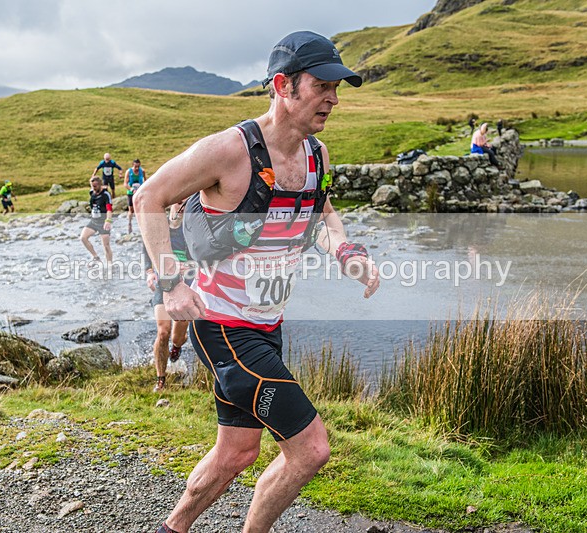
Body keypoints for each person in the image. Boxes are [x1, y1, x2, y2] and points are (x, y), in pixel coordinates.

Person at [135, 30, 380, 533]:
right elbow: (149, 198)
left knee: (236, 454)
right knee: (311, 449)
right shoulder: (229, 150)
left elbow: (324, 216)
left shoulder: (318, 155)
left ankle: (171, 529)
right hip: (221, 325)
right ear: (282, 86)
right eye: (322, 85)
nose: (333, 98)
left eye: (338, 87)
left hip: (267, 325)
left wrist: (347, 252)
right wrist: (171, 282)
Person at [144, 200, 190, 392]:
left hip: (186, 284)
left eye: (186, 203)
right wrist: (149, 272)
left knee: (177, 337)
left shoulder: (193, 227)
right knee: (163, 332)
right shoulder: (159, 224)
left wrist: (191, 267)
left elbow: (203, 254)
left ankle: (177, 346)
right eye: (178, 201)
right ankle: (160, 380)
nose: (181, 206)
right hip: (163, 282)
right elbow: (147, 245)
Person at [81, 176, 113, 264]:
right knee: (83, 238)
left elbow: (109, 209)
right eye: (92, 186)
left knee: (106, 246)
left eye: (95, 186)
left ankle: (110, 265)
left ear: (100, 185)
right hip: (94, 221)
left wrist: (108, 221)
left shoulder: (106, 195)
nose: (93, 188)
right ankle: (95, 257)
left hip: (104, 222)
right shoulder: (91, 192)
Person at [125, 159, 146, 233]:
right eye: (135, 166)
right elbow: (125, 184)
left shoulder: (142, 171)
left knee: (141, 208)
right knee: (131, 209)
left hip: (139, 192)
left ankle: (142, 225)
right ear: (133, 165)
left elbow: (145, 181)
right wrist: (131, 189)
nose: (137, 168)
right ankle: (129, 223)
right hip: (131, 193)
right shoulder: (129, 172)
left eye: (138, 166)